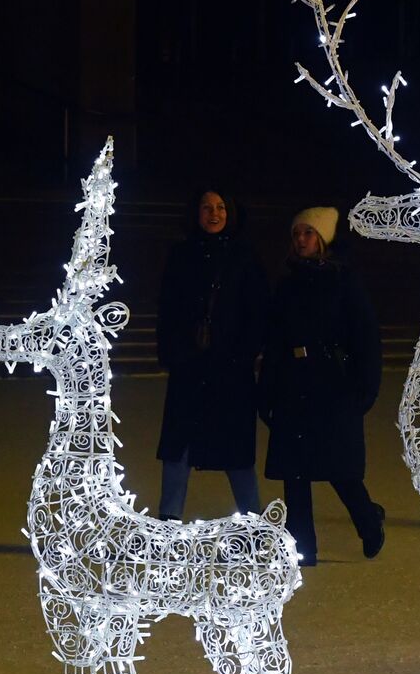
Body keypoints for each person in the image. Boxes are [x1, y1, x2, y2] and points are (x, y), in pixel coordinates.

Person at [259, 206, 384, 566]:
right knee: (295, 471)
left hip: (332, 384)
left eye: (308, 233)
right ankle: (303, 548)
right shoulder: (286, 283)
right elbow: (275, 340)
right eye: (297, 233)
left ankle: (368, 521)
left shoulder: (344, 281)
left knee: (339, 467)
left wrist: (366, 387)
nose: (301, 240)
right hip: (292, 382)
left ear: (323, 238)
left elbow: (366, 337)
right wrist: (266, 391)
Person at [155, 189, 268, 520]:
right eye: (206, 207)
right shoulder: (181, 254)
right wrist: (174, 351)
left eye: (220, 207)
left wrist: (243, 354)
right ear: (196, 212)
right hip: (190, 366)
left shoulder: (245, 257)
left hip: (230, 370)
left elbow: (258, 311)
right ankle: (169, 521)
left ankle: (253, 524)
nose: (214, 213)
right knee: (178, 447)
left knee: (236, 452)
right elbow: (168, 307)